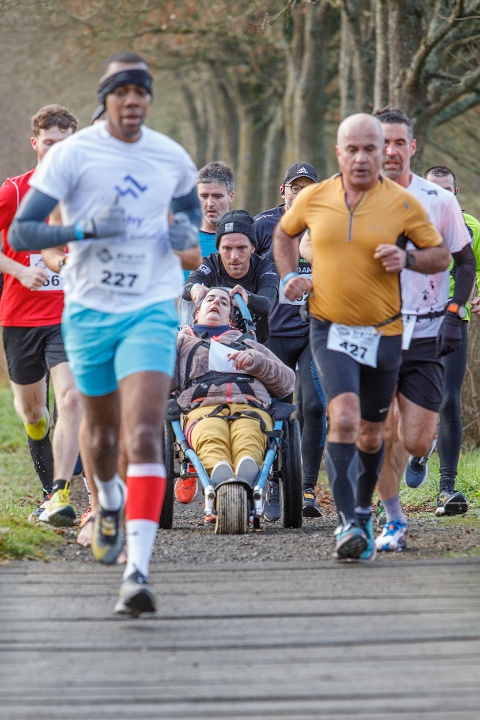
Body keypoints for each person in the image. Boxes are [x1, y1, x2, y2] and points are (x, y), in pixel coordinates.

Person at [9, 51, 201, 617]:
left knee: (143, 432)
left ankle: (138, 570)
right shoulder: (73, 156)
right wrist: (85, 228)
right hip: (89, 309)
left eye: (142, 92)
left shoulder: (171, 158)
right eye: (123, 92)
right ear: (107, 99)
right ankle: (108, 501)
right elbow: (23, 231)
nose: (133, 101)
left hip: (150, 307)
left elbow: (191, 235)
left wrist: (179, 237)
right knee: (100, 433)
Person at [273, 113, 450, 561]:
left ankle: (363, 514)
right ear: (339, 153)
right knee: (345, 416)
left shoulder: (402, 204)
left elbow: (440, 255)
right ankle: (348, 522)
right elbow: (283, 234)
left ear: (381, 152)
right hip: (329, 326)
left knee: (372, 435)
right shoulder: (314, 197)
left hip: (385, 330)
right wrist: (289, 276)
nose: (361, 158)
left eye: (370, 149)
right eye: (351, 149)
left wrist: (408, 260)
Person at [371, 108, 475, 552]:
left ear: (412, 147)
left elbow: (465, 261)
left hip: (427, 332)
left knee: (414, 438)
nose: (391, 151)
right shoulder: (353, 196)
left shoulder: (438, 200)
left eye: (399, 142)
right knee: (381, 429)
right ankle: (392, 517)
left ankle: (419, 456)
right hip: (374, 331)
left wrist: (453, 311)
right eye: (383, 143)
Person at [0, 104, 82, 525]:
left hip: (68, 316)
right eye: (48, 143)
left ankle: (59, 494)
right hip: (20, 317)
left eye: (63, 145)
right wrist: (17, 270)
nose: (55, 152)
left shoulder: (83, 193)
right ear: (35, 143)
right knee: (33, 413)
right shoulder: (15, 192)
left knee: (71, 397)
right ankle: (51, 481)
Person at [172, 286, 295, 514]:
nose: (216, 303)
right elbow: (164, 382)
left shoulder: (249, 343)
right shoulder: (182, 342)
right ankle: (221, 471)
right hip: (202, 408)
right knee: (210, 433)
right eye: (210, 299)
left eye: (223, 302)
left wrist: (257, 363)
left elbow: (287, 382)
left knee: (249, 432)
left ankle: (246, 467)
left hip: (250, 405)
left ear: (230, 318)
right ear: (197, 313)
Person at [403, 165, 480, 516]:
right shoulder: (405, 222)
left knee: (448, 400)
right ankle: (419, 448)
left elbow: (475, 266)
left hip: (452, 320)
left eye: (445, 191)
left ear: (456, 193)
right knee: (408, 403)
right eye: (432, 190)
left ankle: (446, 489)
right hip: (411, 321)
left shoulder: (472, 227)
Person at [254, 162, 326, 520]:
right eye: (294, 187)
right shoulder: (263, 225)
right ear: (283, 191)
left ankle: (307, 488)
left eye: (307, 187)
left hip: (314, 331)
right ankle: (271, 482)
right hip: (274, 334)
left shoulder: (327, 221)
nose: (300, 193)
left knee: (313, 406)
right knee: (274, 409)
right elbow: (247, 268)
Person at [183, 210, 279, 344]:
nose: (234, 256)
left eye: (241, 248)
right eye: (227, 248)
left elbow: (266, 304)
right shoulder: (209, 264)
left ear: (252, 247)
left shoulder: (265, 267)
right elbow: (187, 288)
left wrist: (247, 297)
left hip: (254, 345)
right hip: (210, 343)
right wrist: (195, 288)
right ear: (218, 249)